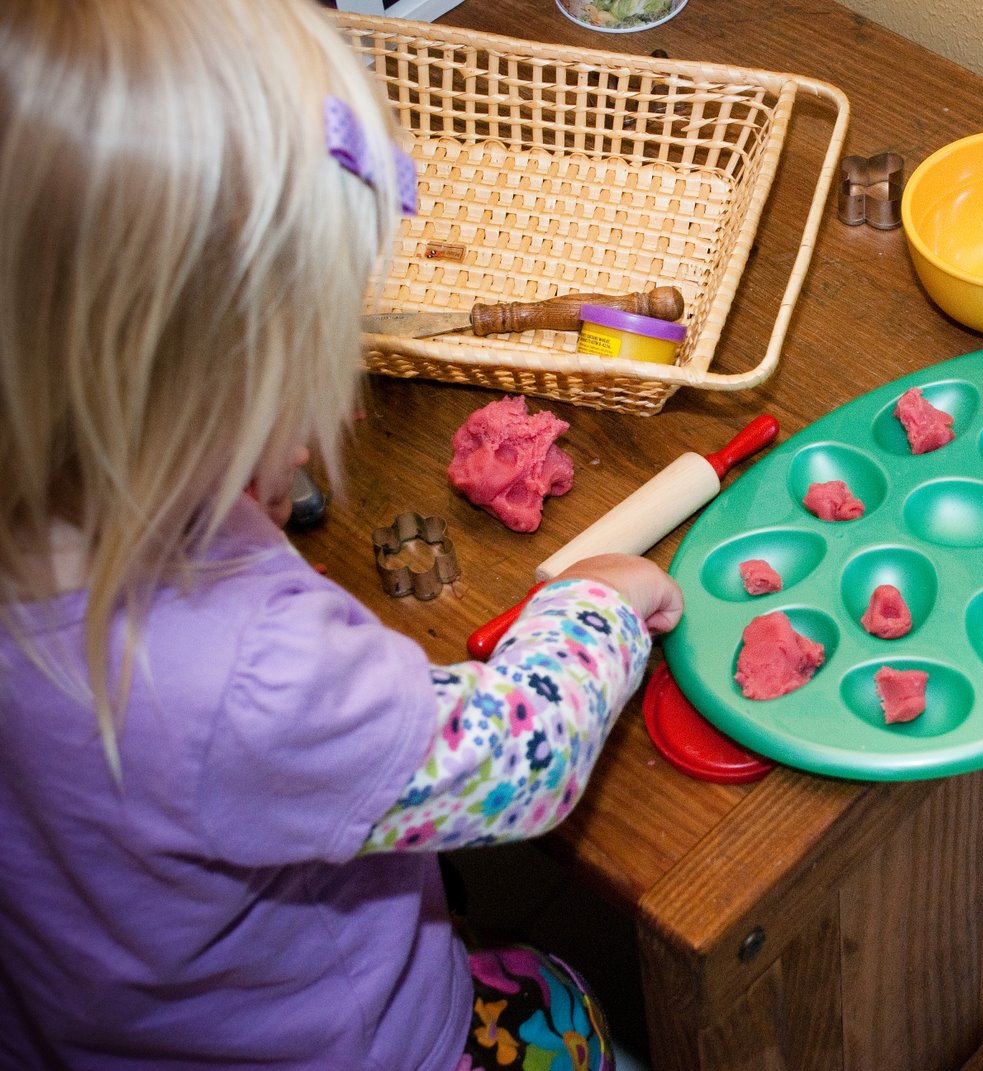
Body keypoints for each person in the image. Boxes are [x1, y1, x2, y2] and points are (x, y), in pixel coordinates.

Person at [0, 1, 682, 1068]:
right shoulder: (250, 672)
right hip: (348, 1044)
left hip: (97, 1025)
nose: (342, 409)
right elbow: (516, 760)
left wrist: (220, 488)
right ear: (191, 397)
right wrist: (597, 604)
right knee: (578, 1016)